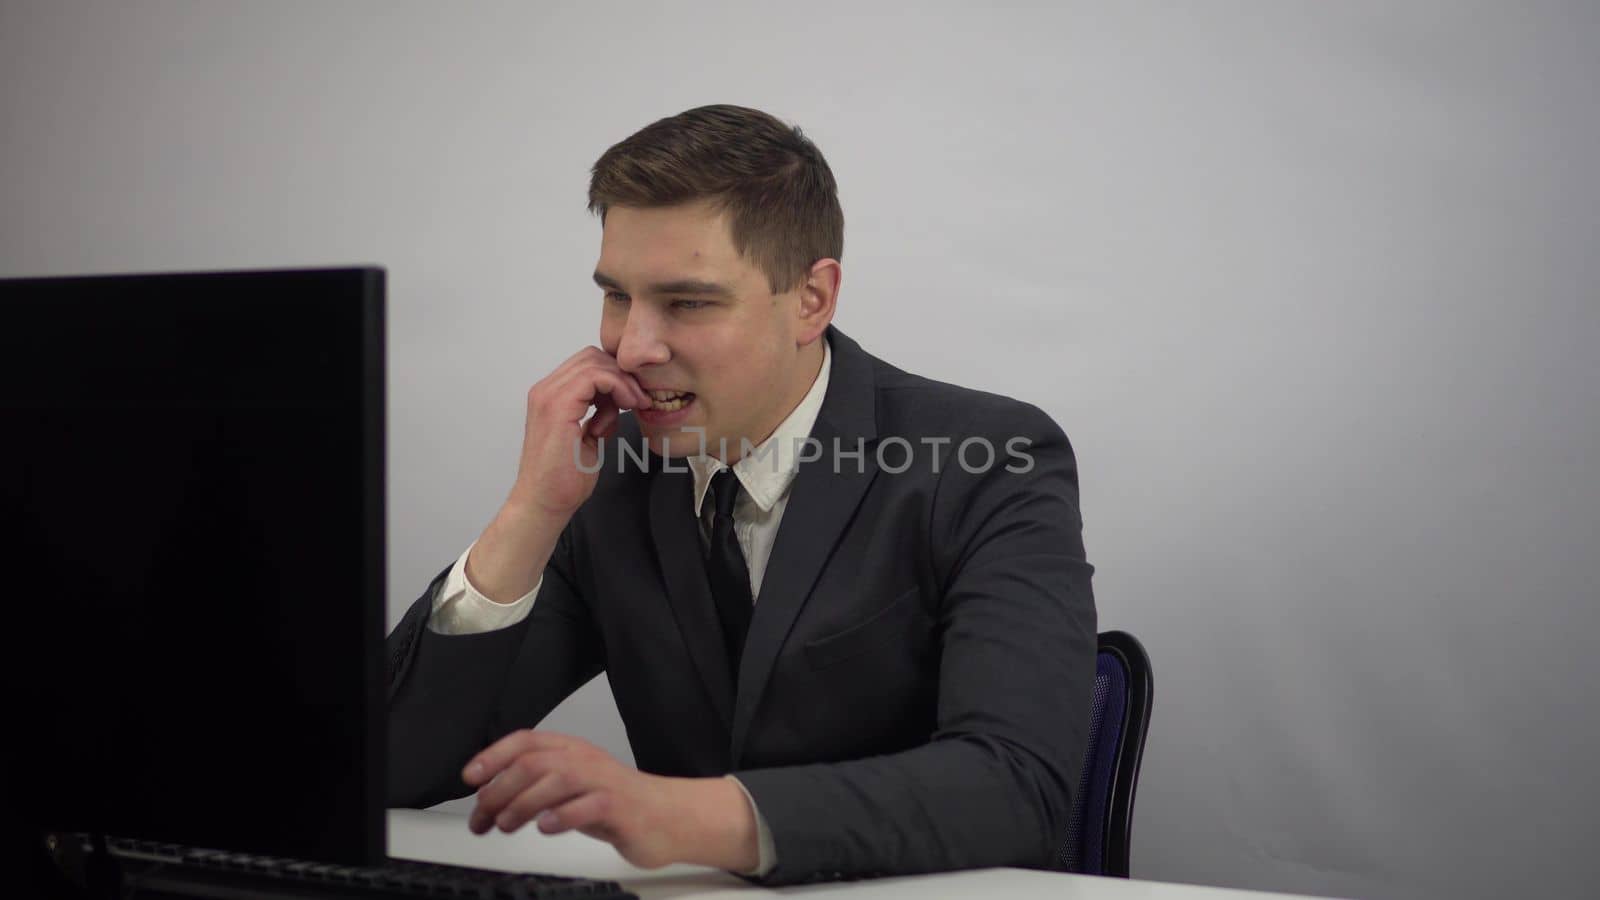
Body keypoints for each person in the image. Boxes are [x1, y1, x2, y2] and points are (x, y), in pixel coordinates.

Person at [386, 104, 1098, 886]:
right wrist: (530, 513)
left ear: (811, 300)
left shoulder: (985, 458)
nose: (632, 346)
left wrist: (686, 817)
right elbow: (391, 767)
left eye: (687, 302)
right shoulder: (611, 474)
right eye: (617, 295)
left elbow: (1014, 785)